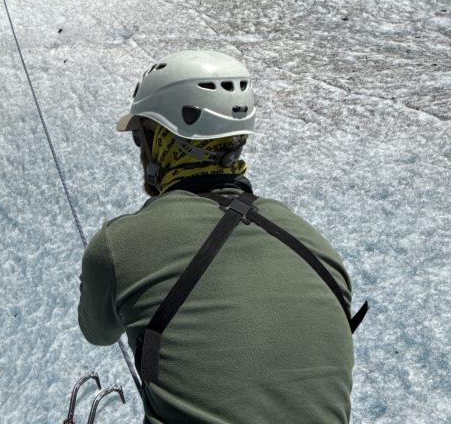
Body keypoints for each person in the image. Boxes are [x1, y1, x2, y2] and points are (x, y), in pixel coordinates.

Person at [77, 50, 366, 423]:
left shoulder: (119, 244)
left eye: (139, 137)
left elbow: (97, 332)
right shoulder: (317, 247)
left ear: (160, 141)